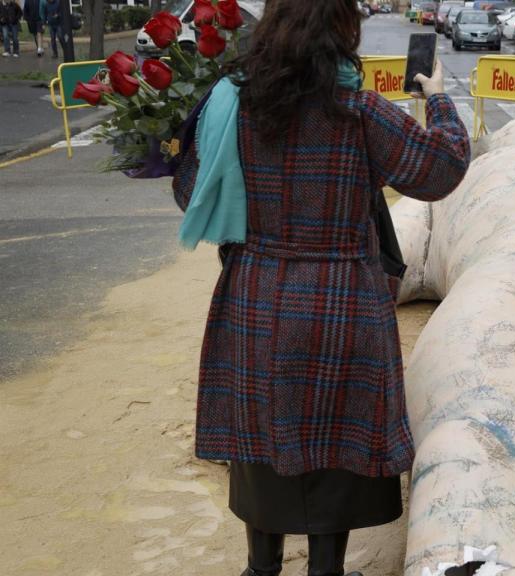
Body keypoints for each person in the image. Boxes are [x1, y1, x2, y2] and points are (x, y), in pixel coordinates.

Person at [170, 0, 470, 574]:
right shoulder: (357, 111)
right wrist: (436, 96)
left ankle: (261, 568)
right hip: (343, 303)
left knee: (261, 444)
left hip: (255, 297)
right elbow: (442, 167)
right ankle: (325, 569)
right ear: (341, 30)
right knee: (336, 445)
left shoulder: (232, 105)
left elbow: (191, 193)